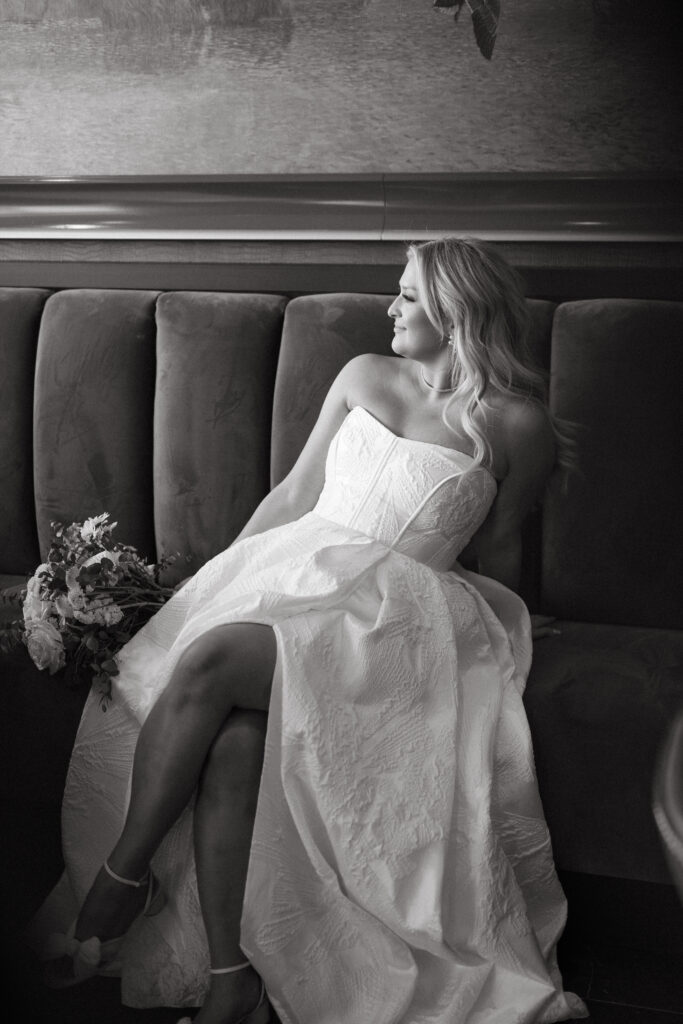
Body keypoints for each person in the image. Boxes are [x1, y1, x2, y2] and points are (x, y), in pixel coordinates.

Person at [39, 238, 588, 1024]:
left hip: (398, 619)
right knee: (232, 741)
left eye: (405, 295)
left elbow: (497, 552)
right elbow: (295, 493)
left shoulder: (515, 425)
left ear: (455, 309)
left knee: (213, 661)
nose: (390, 307)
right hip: (300, 573)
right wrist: (214, 581)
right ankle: (231, 980)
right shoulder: (364, 375)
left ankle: (122, 882)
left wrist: (515, 620)